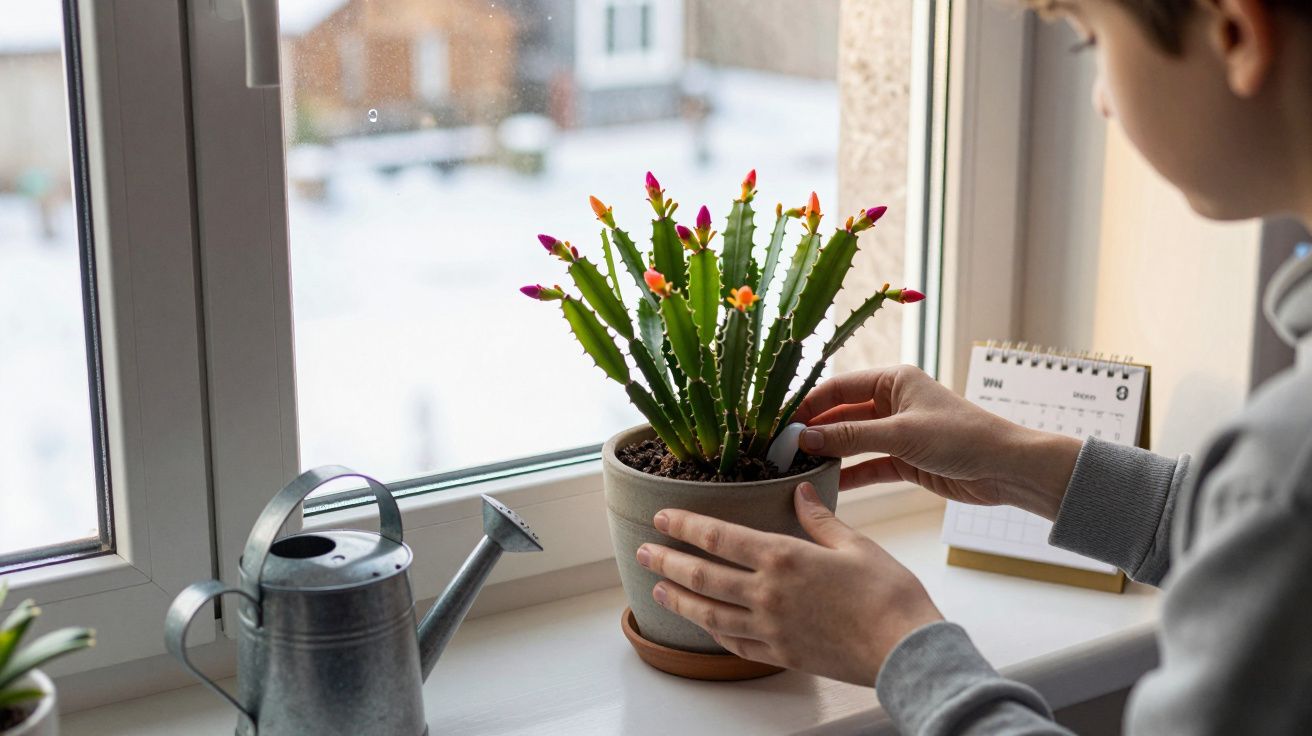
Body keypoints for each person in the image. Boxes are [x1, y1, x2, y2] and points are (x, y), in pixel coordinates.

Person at [633, 0, 1312, 732]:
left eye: (1089, 43)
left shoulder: (1286, 465)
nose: (1102, 99)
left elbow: (1277, 515)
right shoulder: (1279, 480)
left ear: (1235, 33)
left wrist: (896, 644)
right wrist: (1021, 462)